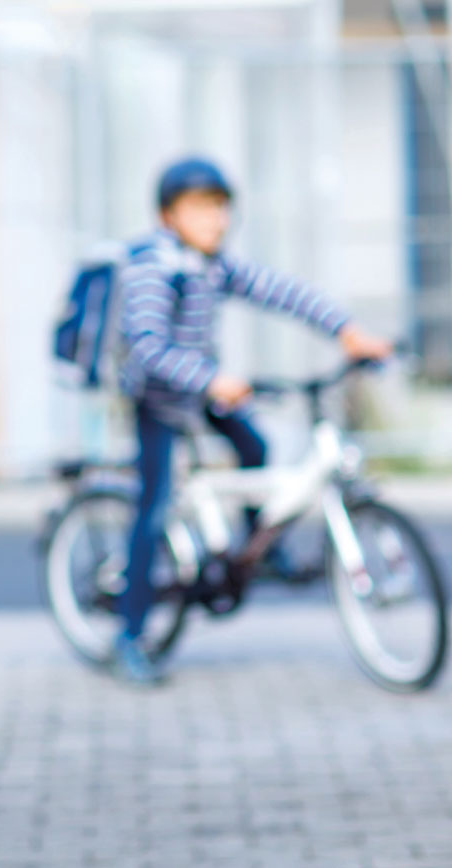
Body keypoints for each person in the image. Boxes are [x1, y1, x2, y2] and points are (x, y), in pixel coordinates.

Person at [114, 156, 390, 685]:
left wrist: (347, 331)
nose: (215, 220)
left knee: (255, 447)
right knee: (152, 510)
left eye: (221, 208)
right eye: (200, 209)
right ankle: (131, 636)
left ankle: (261, 547)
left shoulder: (214, 264)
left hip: (202, 389)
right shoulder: (152, 267)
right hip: (160, 398)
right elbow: (147, 347)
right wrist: (210, 379)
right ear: (169, 216)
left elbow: (282, 291)